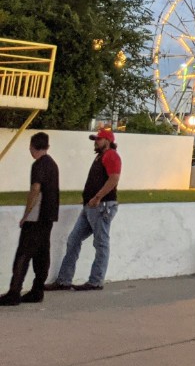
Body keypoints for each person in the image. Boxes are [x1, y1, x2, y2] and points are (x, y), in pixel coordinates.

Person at [49, 127, 121, 292]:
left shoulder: (111, 155)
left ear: (107, 141)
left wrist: (98, 197)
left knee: (101, 243)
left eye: (98, 139)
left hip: (101, 206)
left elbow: (114, 178)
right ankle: (64, 280)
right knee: (74, 239)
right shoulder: (101, 156)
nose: (96, 142)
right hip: (91, 206)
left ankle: (96, 281)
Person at [1, 131, 59, 306]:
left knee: (23, 253)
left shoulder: (38, 165)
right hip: (49, 216)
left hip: (36, 216)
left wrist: (26, 214)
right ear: (47, 147)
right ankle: (37, 290)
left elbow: (35, 189)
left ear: (32, 147)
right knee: (42, 253)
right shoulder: (53, 164)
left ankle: (14, 292)